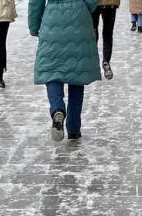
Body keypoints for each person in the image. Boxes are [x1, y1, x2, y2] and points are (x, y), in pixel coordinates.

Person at [29, 0, 102, 141]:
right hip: (79, 18)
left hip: (52, 20)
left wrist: (34, 25)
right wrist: (84, 7)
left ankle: (57, 109)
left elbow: (35, 2)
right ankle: (74, 128)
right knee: (77, 73)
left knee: (52, 71)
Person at [92, 0, 119, 79]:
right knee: (108, 34)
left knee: (93, 33)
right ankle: (106, 61)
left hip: (94, 3)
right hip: (110, 3)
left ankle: (94, 62)